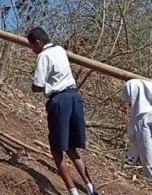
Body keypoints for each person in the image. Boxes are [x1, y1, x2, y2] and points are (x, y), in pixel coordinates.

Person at [27, 27, 97, 195]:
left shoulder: (43, 56)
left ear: (38, 43)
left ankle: (73, 191)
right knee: (72, 147)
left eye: (32, 46)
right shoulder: (60, 50)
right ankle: (91, 188)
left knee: (57, 149)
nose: (32, 50)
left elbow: (37, 85)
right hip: (74, 97)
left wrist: (36, 85)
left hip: (59, 101)